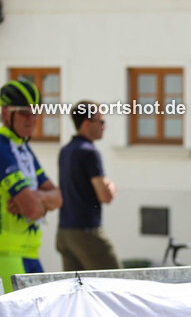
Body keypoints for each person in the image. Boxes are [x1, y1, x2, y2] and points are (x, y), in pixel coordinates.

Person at [0, 79, 62, 294]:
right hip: (6, 255)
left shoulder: (23, 149)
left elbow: (58, 197)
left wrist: (36, 197)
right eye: (25, 112)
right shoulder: (2, 149)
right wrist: (41, 201)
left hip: (30, 252)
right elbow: (33, 210)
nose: (33, 119)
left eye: (36, 112)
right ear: (6, 113)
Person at [57, 101, 121, 270]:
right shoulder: (89, 152)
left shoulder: (66, 150)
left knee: (76, 292)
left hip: (64, 233)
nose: (104, 127)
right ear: (87, 123)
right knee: (116, 284)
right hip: (87, 233)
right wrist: (111, 186)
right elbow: (105, 196)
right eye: (101, 122)